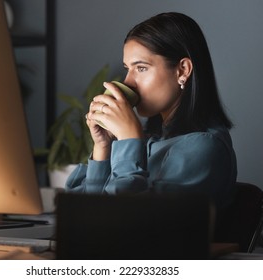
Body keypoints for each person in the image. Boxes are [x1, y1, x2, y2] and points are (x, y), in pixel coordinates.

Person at [65, 12, 237, 213]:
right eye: (127, 68)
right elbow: (86, 217)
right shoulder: (150, 140)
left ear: (182, 70)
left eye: (141, 68)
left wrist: (130, 139)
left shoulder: (205, 147)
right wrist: (103, 148)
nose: (128, 82)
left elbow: (127, 224)